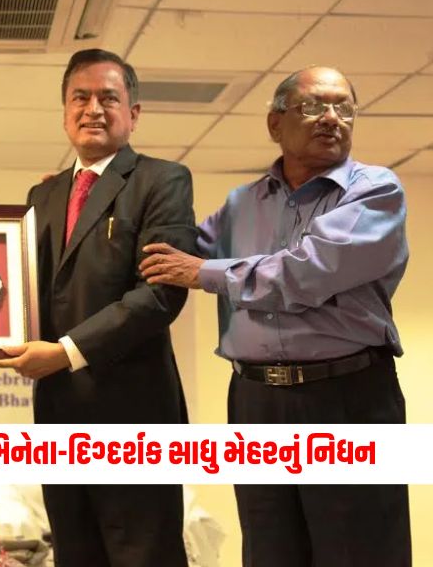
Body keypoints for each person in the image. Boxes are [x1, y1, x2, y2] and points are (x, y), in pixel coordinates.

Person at [140, 66, 411, 566]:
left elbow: (308, 271)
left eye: (344, 107)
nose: (331, 118)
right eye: (313, 106)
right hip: (256, 399)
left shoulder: (375, 189)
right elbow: (174, 253)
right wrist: (90, 208)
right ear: (274, 123)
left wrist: (206, 273)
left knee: (358, 551)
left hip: (347, 397)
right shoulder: (242, 203)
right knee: (270, 550)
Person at [0, 49, 196, 567]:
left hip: (135, 419)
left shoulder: (162, 180)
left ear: (133, 113)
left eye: (109, 98)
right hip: (60, 418)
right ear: (64, 113)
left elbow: (160, 294)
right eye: (80, 97)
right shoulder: (44, 194)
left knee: (143, 556)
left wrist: (65, 352)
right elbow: (23, 293)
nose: (93, 109)